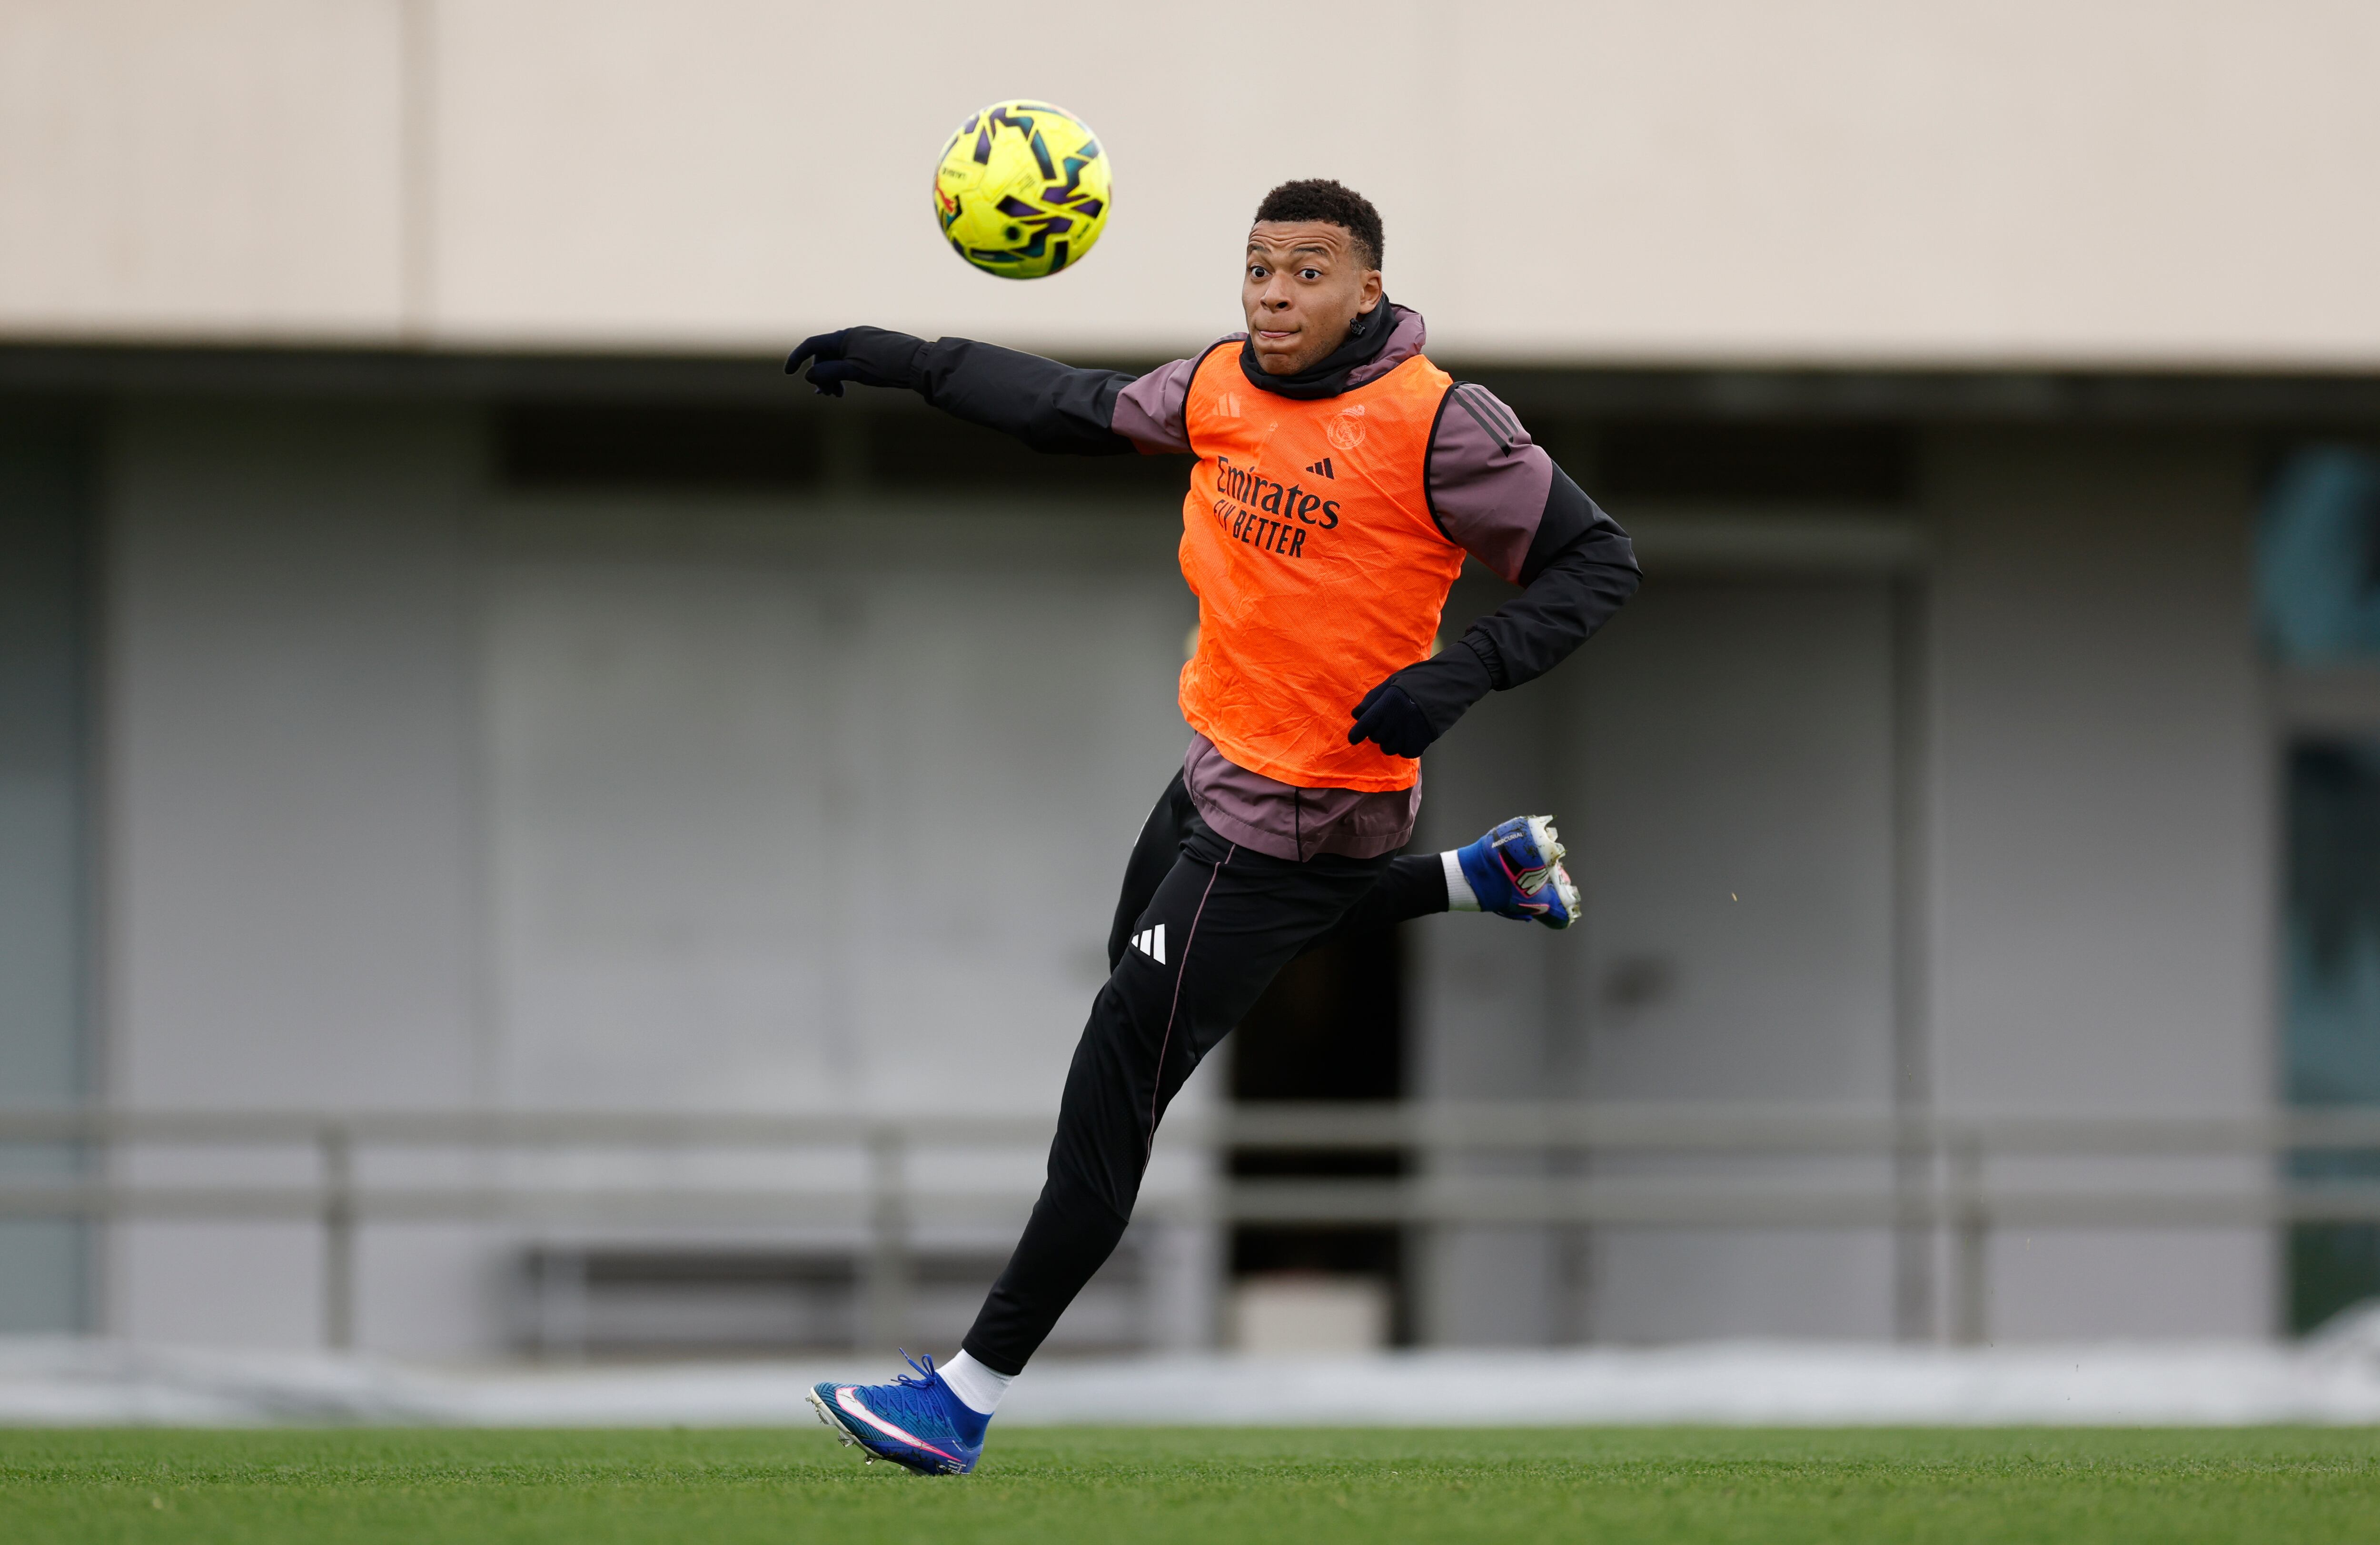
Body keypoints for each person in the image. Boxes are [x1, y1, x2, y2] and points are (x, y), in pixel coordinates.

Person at [794, 178, 1639, 1474]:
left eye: (1307, 272)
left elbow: (1600, 562)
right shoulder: (1224, 387)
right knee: (1150, 967)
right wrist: (920, 362)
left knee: (1115, 1083)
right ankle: (1482, 880)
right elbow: (1070, 410)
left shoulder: (1437, 424)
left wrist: (1461, 674)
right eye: (1257, 269)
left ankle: (961, 1395)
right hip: (1217, 773)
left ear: (1369, 291)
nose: (1273, 294)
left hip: (1308, 809)